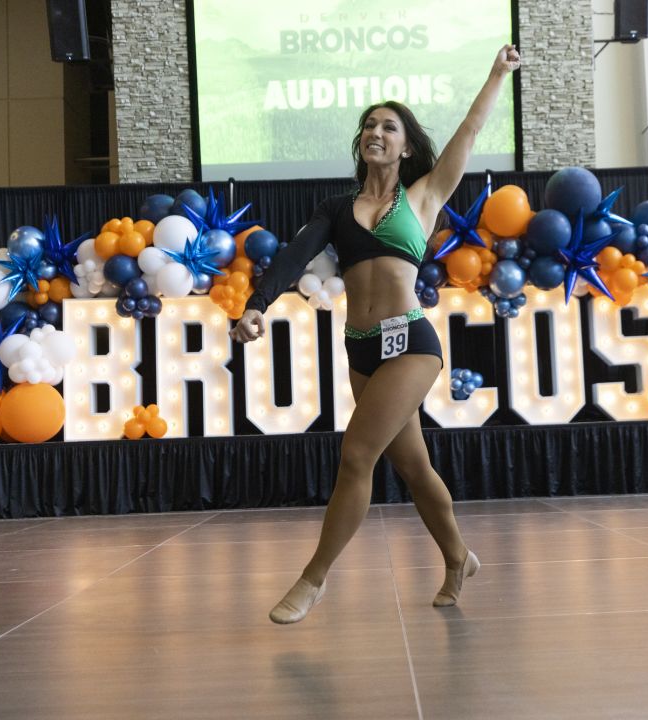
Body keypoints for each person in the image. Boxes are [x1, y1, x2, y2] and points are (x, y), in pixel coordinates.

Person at [230, 45, 522, 624]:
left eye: (389, 126)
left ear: (406, 144)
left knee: (356, 456)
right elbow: (294, 256)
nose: (376, 132)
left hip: (411, 343)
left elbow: (469, 128)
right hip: (361, 348)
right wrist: (257, 304)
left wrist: (496, 75)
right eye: (368, 125)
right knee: (413, 467)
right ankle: (459, 558)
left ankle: (312, 581)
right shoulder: (337, 207)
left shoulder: (424, 196)